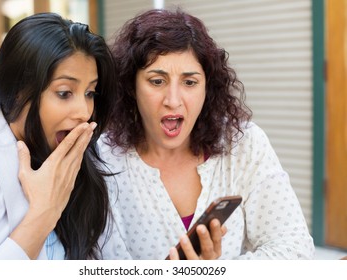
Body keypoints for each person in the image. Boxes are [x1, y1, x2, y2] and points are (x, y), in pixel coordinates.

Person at [97, 8, 315, 260]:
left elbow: (295, 249)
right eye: (157, 81)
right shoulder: (103, 159)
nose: (173, 100)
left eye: (189, 82)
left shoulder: (244, 144)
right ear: (130, 87)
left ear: (207, 88)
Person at [0, 13, 117, 259]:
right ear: (19, 90)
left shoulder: (84, 159)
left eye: (90, 93)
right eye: (64, 93)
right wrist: (45, 211)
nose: (84, 113)